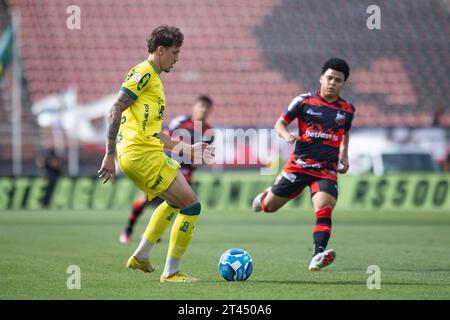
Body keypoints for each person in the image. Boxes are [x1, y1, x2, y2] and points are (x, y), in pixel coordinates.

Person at [98, 25, 214, 283]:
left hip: (148, 151)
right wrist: (109, 153)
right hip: (140, 155)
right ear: (160, 50)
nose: (177, 58)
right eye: (174, 52)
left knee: (175, 203)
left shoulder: (153, 79)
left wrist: (188, 149)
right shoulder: (143, 74)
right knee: (191, 206)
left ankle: (141, 257)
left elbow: (155, 133)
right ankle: (171, 273)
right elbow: (115, 108)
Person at [252, 58, 355, 271]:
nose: (332, 83)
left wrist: (344, 155)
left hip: (326, 170)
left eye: (338, 80)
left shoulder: (347, 110)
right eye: (329, 78)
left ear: (344, 83)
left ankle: (318, 255)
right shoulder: (304, 101)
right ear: (321, 78)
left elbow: (345, 133)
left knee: (325, 206)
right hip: (298, 166)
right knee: (269, 208)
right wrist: (286, 135)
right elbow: (279, 123)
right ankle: (265, 195)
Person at [119, 95, 215, 243]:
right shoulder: (181, 122)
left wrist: (201, 160)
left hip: (187, 171)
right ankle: (128, 230)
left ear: (210, 111)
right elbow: (166, 139)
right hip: (167, 164)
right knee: (145, 199)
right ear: (194, 106)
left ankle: (150, 233)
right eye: (201, 106)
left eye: (207, 108)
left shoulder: (208, 131)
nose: (203, 110)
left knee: (177, 203)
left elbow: (201, 157)